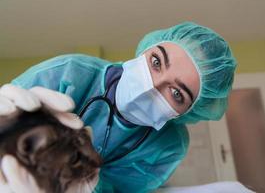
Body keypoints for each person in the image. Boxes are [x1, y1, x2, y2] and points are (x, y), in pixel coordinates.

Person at [0, 22, 238, 193]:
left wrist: (84, 184)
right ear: (147, 48)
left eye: (176, 93)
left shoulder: (169, 146)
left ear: (187, 112)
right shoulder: (70, 72)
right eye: (156, 62)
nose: (152, 85)